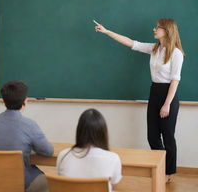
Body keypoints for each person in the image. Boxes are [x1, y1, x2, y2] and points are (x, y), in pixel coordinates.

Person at [95, 18, 184, 181]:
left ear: (167, 30)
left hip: (168, 95)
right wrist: (107, 31)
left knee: (168, 136)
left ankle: (168, 173)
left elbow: (175, 80)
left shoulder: (176, 53)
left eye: (158, 27)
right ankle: (160, 167)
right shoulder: (155, 49)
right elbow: (130, 43)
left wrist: (167, 104)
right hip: (155, 91)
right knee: (152, 136)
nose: (154, 29)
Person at [0, 81, 54, 192]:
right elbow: (48, 151)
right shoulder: (29, 124)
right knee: (50, 180)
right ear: (25, 101)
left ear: (4, 101)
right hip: (20, 180)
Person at [57, 108, 122, 191]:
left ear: (79, 131)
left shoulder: (63, 155)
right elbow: (114, 183)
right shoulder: (113, 158)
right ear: (103, 132)